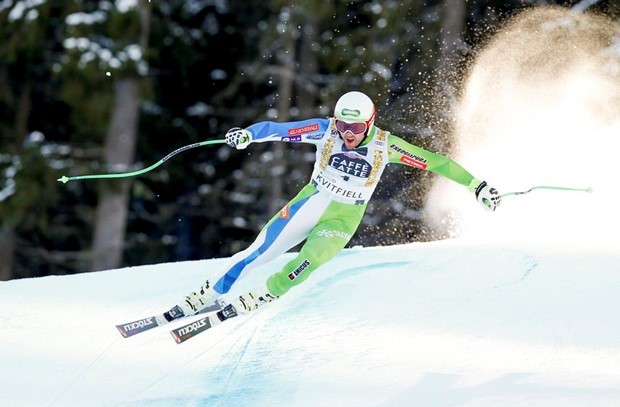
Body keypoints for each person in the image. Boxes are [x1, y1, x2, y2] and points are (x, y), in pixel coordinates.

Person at [162, 91, 501, 322]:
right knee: (257, 253)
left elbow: (436, 162)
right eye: (342, 124)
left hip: (343, 215)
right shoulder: (326, 131)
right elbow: (279, 131)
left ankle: (263, 295)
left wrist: (477, 185)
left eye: (354, 127)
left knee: (309, 260)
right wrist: (248, 135)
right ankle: (206, 293)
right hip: (311, 202)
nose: (347, 133)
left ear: (370, 122)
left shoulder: (386, 146)